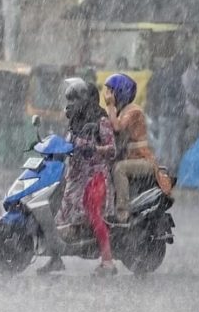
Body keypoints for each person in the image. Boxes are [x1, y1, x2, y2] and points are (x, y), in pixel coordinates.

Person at [38, 79, 117, 276]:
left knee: (94, 214)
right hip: (73, 178)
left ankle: (108, 262)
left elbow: (112, 149)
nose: (70, 105)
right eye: (69, 100)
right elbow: (68, 145)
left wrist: (95, 149)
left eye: (74, 100)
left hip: (94, 177)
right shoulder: (75, 122)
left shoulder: (101, 121)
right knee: (57, 217)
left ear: (87, 100)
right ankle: (55, 259)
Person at [105, 73, 172, 223]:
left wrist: (109, 105)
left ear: (120, 92)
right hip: (132, 158)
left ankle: (122, 213)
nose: (107, 95)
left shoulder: (133, 110)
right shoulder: (122, 110)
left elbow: (117, 127)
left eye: (110, 91)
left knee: (119, 169)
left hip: (144, 160)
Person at [146, 54, 189, 174]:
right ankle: (172, 168)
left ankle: (162, 166)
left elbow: (154, 94)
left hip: (164, 114)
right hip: (173, 115)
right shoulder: (176, 79)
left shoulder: (161, 76)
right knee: (174, 142)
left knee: (164, 142)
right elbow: (180, 98)